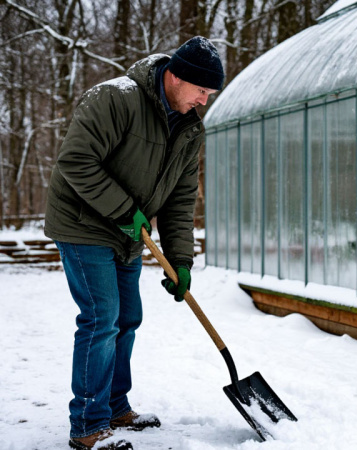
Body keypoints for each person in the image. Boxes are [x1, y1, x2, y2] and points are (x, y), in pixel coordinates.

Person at [44, 36, 224, 450]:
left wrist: (181, 261)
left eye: (209, 94)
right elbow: (75, 161)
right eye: (201, 90)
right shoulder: (116, 99)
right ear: (176, 77)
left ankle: (113, 405)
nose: (204, 101)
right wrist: (126, 212)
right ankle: (88, 426)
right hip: (83, 223)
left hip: (128, 230)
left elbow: (180, 201)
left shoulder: (190, 129)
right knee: (102, 317)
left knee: (128, 318)